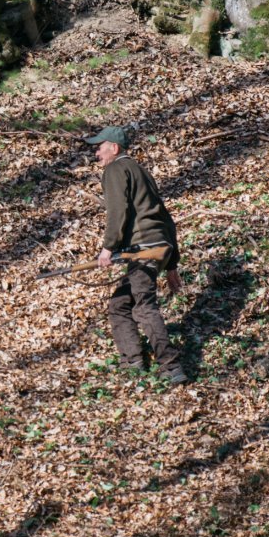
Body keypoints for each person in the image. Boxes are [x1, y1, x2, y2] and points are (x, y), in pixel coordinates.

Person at [84, 125, 187, 384]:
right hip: (159, 246)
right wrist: (171, 263)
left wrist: (108, 248)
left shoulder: (115, 169)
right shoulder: (141, 171)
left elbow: (118, 211)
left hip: (143, 249)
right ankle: (133, 361)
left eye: (99, 147)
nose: (96, 153)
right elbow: (165, 216)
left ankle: (171, 367)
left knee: (144, 307)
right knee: (120, 304)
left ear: (114, 148)